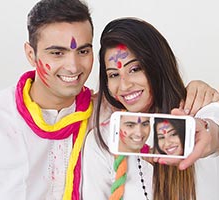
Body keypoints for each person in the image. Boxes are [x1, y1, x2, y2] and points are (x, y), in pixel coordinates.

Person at [0, 0, 218, 199]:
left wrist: (206, 114)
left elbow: (207, 133)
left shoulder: (115, 118)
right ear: (31, 54)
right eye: (57, 53)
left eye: (83, 51)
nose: (73, 66)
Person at [82, 17, 219, 200]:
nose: (124, 86)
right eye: (114, 74)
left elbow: (213, 133)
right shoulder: (102, 141)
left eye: (135, 69)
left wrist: (207, 133)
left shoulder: (203, 111)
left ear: (158, 65)